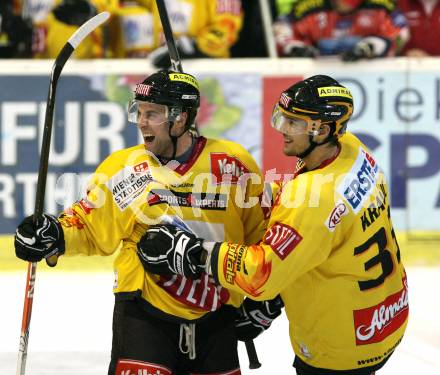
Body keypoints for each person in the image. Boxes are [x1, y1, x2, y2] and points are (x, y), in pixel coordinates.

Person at [137, 75, 409, 374]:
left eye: (295, 123)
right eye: (284, 118)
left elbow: (261, 275)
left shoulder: (311, 197)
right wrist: (266, 199)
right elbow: (317, 232)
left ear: (325, 129)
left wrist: (192, 251)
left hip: (341, 341)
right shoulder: (351, 150)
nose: (283, 130)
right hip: (386, 313)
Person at [14, 70, 270, 374]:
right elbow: (91, 225)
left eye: (153, 113)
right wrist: (54, 234)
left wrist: (265, 301)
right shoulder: (125, 168)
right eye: (138, 111)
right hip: (144, 316)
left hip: (217, 315)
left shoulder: (233, 163)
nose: (141, 121)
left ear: (180, 118)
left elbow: (262, 236)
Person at [274, 0, 408, 61]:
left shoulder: (381, 7)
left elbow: (400, 35)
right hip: (314, 77)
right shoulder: (309, 7)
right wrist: (296, 47)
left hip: (369, 76)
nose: (340, 3)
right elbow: (281, 29)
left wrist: (370, 47)